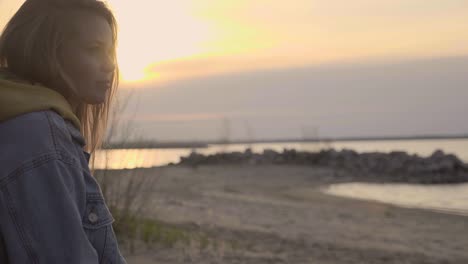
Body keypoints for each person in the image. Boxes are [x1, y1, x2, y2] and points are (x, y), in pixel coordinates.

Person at [0, 0, 127, 262]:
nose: (110, 65)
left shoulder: (29, 125)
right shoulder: (37, 135)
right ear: (45, 53)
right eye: (94, 50)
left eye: (110, 52)